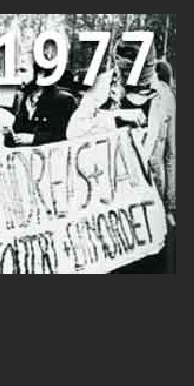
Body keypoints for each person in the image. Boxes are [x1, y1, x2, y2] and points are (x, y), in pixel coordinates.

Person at [67, 38, 176, 273]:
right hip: (113, 207)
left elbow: (170, 156)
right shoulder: (104, 85)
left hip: (151, 202)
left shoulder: (165, 96)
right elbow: (73, 130)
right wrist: (116, 117)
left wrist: (169, 206)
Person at [7, 62, 77, 147]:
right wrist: (9, 135)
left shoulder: (63, 100)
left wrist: (34, 138)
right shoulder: (23, 100)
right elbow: (17, 134)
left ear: (41, 74)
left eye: (23, 71)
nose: (17, 77)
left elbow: (64, 136)